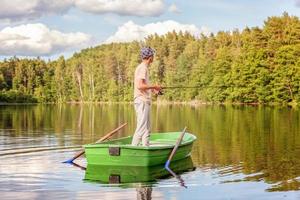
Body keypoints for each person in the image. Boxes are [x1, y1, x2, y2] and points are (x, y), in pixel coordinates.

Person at [132, 47, 161, 146]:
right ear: (150, 57)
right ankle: (133, 149)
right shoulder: (142, 68)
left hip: (145, 101)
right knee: (141, 127)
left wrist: (153, 90)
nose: (153, 57)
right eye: (153, 55)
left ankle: (146, 149)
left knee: (147, 129)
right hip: (142, 101)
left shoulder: (143, 68)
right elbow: (140, 86)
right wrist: (154, 86)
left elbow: (144, 85)